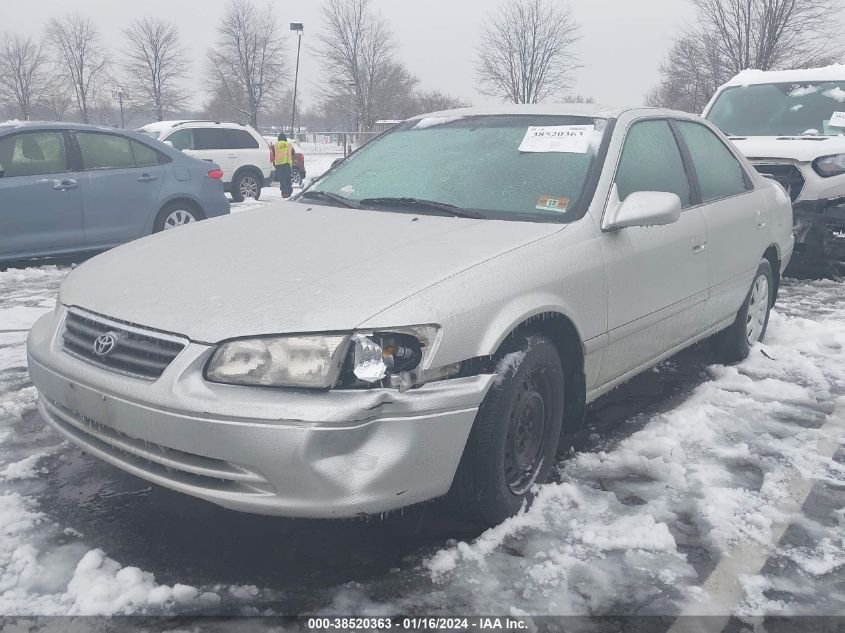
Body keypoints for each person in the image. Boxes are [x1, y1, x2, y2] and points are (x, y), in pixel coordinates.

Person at [273, 133, 294, 198]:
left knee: (282, 179)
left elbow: (273, 154)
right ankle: (289, 191)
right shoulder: (288, 144)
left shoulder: (275, 145)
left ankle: (284, 192)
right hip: (287, 164)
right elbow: (293, 153)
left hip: (278, 164)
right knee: (288, 178)